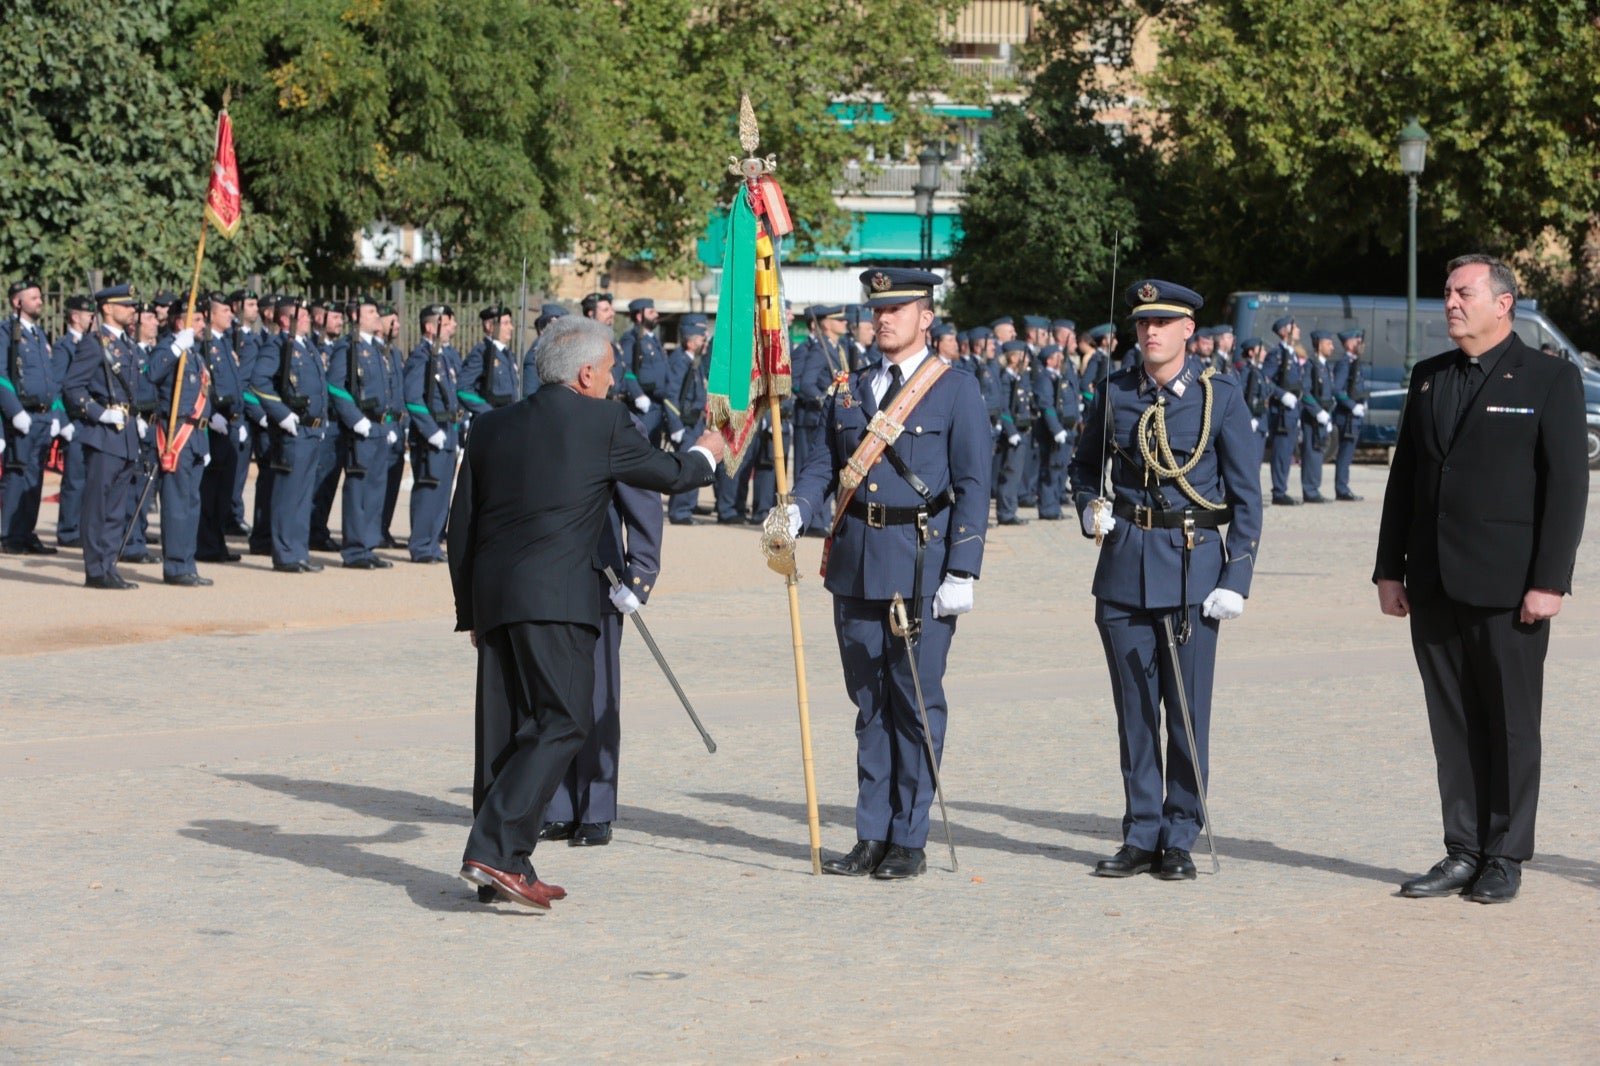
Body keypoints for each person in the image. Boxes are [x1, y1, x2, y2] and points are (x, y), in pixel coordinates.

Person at [448, 315, 723, 910]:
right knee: (564, 720)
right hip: (558, 602)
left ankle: (506, 865)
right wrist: (708, 450)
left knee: (506, 732)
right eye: (610, 370)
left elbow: (460, 525)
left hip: (497, 601)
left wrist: (470, 609)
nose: (614, 380)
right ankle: (491, 849)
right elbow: (668, 475)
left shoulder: (491, 425)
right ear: (586, 372)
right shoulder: (602, 420)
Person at [1374, 254, 1587, 905]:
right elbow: (1405, 478)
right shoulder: (1430, 377)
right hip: (1433, 580)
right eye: (1445, 293)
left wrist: (1549, 580)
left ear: (1504, 302)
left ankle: (1505, 853)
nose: (1450, 302)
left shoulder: (1550, 377)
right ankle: (1461, 849)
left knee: (1510, 722)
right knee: (1453, 723)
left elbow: (1567, 489)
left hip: (1510, 587)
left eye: (1463, 292)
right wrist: (1389, 568)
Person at [787, 267, 992, 881]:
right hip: (854, 563)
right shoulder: (850, 388)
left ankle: (909, 836)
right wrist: (798, 506)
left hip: (921, 565)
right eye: (877, 310)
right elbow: (825, 461)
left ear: (925, 317)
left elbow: (975, 485)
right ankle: (870, 833)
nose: (883, 319)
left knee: (915, 702)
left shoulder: (955, 389)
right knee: (869, 704)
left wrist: (964, 568)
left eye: (897, 310)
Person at [1068, 279, 1262, 881]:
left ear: (1188, 332)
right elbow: (1082, 465)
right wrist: (1086, 506)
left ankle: (1179, 833)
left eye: (1163, 323)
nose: (1149, 332)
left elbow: (1249, 498)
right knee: (1133, 714)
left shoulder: (1219, 397)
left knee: (1185, 711)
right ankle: (1141, 830)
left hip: (1191, 570)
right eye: (1142, 323)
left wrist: (1237, 575)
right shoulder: (1115, 391)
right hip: (1125, 566)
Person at [536, 413, 664, 854]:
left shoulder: (614, 424)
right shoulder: (536, 418)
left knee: (596, 694)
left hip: (598, 575)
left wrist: (640, 571)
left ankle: (595, 806)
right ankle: (556, 804)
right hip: (545, 574)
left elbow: (642, 499)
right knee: (550, 693)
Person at [62, 284, 143, 589]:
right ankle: (95, 569)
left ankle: (108, 564)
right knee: (98, 505)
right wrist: (99, 412)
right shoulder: (95, 344)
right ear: (107, 308)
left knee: (115, 508)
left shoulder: (127, 345)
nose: (132, 309)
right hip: (103, 434)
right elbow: (73, 387)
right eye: (126, 305)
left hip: (125, 435)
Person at [249, 296, 330, 574]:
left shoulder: (306, 346)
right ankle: (284, 553)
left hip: (311, 429)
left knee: (303, 495)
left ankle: (298, 551)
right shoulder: (277, 345)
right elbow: (258, 382)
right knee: (288, 494)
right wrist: (281, 414)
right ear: (285, 320)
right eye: (303, 315)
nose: (308, 319)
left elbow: (319, 387)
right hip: (293, 431)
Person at [327, 296, 398, 569]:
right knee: (358, 490)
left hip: (380, 427)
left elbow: (387, 390)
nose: (376, 315)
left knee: (376, 489)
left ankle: (368, 545)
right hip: (362, 427)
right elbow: (334, 386)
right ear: (356, 316)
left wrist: (389, 424)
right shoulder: (348, 347)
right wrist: (355, 419)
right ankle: (355, 549)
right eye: (370, 311)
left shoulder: (376, 349)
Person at [144, 309, 211, 586]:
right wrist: (174, 347)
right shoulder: (169, 348)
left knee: (192, 504)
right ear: (179, 322)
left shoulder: (194, 353)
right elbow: (152, 373)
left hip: (197, 434)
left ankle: (187, 562)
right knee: (176, 504)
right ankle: (175, 567)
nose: (202, 324)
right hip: (177, 434)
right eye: (196, 319)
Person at [1, 279, 64, 555]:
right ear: (18, 302)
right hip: (23, 414)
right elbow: (1, 375)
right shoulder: (6, 332)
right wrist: (14, 411)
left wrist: (55, 413)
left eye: (40, 297)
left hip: (42, 416)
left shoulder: (38, 334)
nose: (40, 301)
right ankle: (10, 534)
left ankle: (26, 531)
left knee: (36, 477)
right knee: (18, 474)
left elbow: (50, 378)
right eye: (34, 297)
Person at [404, 304, 462, 564]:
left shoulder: (443, 356)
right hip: (432, 437)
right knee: (429, 491)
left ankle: (432, 543)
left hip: (448, 432)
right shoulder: (422, 356)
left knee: (441, 494)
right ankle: (421, 545)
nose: (453, 326)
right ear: (431, 326)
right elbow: (413, 397)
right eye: (447, 322)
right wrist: (430, 431)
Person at [196, 292, 249, 564]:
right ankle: (205, 544)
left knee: (224, 491)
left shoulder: (225, 342)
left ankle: (217, 543)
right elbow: (203, 385)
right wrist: (212, 413)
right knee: (210, 490)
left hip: (230, 424)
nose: (231, 315)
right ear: (211, 315)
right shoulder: (203, 344)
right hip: (213, 425)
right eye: (225, 311)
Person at [51, 295, 97, 548]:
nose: (92, 319)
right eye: (88, 315)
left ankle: (83, 527)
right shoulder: (64, 347)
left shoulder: (91, 344)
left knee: (91, 480)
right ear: (74, 317)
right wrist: (63, 420)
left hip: (91, 420)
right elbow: (57, 387)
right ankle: (69, 531)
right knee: (75, 479)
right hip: (75, 421)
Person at [1330, 328, 1369, 501]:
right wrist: (1352, 406)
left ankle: (1343, 486)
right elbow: (1337, 389)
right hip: (1347, 416)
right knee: (1344, 454)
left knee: (1348, 453)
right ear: (1348, 344)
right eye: (1357, 340)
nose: (1361, 343)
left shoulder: (1355, 363)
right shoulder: (1345, 364)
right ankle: (1341, 488)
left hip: (1353, 416)